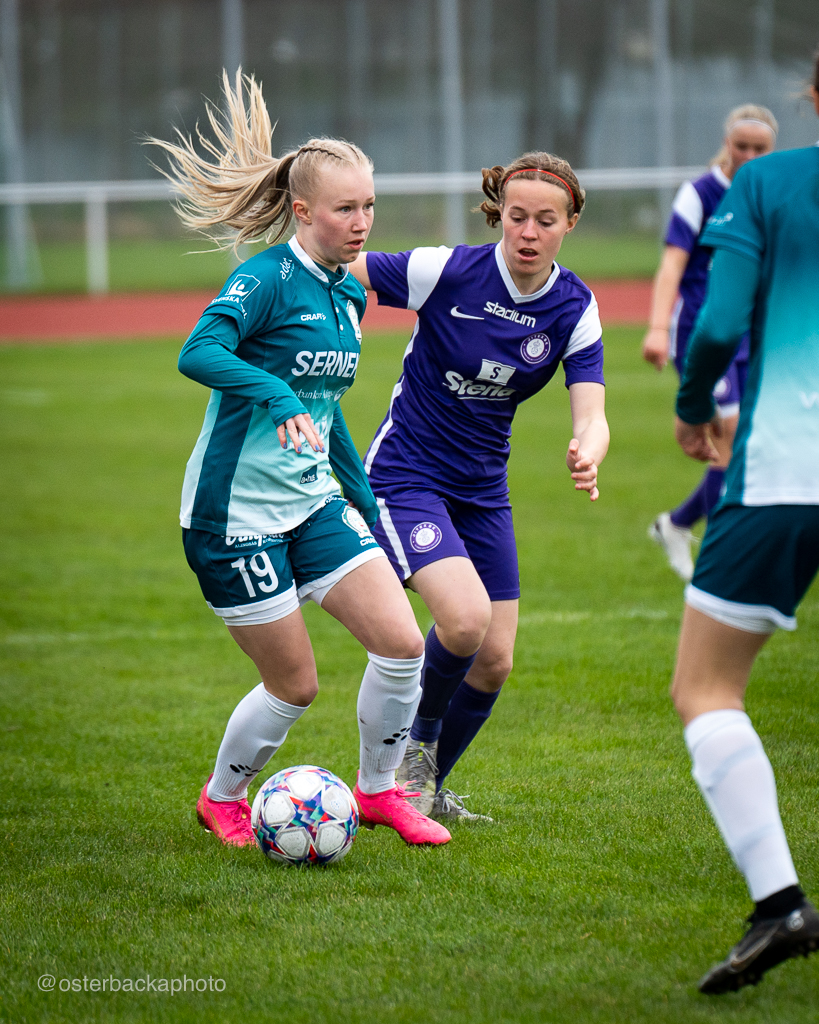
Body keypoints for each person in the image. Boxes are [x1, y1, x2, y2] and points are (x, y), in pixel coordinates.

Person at [148, 72, 451, 848]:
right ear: (304, 210)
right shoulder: (265, 278)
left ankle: (377, 793)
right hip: (234, 516)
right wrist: (275, 395)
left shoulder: (347, 294)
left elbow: (325, 408)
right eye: (345, 208)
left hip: (312, 503)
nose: (362, 222)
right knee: (295, 684)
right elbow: (197, 352)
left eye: (369, 205)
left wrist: (363, 502)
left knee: (402, 645)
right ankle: (222, 799)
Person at [349, 153, 609, 820]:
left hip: (483, 489)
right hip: (406, 473)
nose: (528, 232)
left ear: (570, 224)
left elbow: (592, 413)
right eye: (517, 217)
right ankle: (408, 760)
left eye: (545, 220)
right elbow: (342, 268)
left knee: (493, 659)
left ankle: (422, 791)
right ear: (501, 215)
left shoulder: (574, 307)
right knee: (464, 620)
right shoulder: (448, 271)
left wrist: (587, 448)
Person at [670, 58, 819, 993]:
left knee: (706, 688)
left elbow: (719, 324)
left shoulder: (765, 182)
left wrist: (694, 408)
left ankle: (781, 905)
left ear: (813, 95)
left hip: (787, 471)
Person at [643, 105, 777, 581]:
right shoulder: (700, 194)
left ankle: (678, 525)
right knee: (730, 435)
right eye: (742, 146)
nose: (749, 155)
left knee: (745, 444)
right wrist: (657, 328)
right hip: (703, 333)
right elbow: (672, 266)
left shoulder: (770, 193)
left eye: (760, 148)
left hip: (752, 334)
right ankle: (726, 565)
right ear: (726, 143)